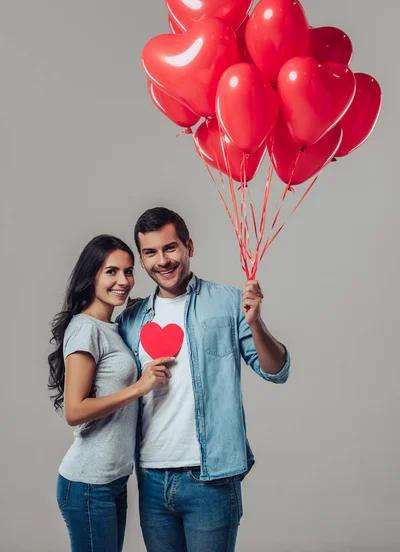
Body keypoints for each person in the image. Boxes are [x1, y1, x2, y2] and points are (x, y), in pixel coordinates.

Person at [117, 207, 291, 552]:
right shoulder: (132, 318)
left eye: (170, 248)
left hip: (210, 479)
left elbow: (277, 370)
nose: (162, 261)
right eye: (150, 253)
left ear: (189, 247)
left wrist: (255, 322)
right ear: (142, 259)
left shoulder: (228, 303)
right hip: (151, 477)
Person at [48, 234, 174, 552]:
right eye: (111, 271)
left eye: (128, 271)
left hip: (112, 480)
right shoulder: (84, 329)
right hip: (88, 482)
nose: (123, 280)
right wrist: (139, 387)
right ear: (92, 275)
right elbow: (74, 411)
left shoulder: (111, 327)